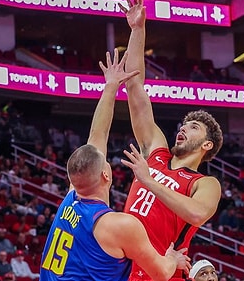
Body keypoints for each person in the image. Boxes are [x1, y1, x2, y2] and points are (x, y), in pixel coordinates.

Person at [39, 50, 190, 281]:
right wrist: (173, 259)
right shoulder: (120, 225)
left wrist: (111, 87)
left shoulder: (70, 198)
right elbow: (161, 273)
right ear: (106, 175)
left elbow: (97, 135)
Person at [120, 0, 223, 281]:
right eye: (185, 123)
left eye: (193, 127)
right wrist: (137, 30)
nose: (183, 128)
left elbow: (197, 214)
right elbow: (135, 87)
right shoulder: (157, 152)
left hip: (159, 272)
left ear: (206, 145)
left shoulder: (205, 183)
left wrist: (149, 181)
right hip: (121, 266)